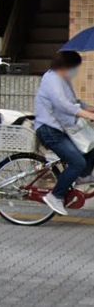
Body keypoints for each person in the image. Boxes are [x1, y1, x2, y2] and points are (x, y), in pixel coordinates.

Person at [35, 50, 94, 216]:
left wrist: (90, 108)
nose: (76, 71)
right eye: (75, 67)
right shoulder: (51, 79)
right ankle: (56, 196)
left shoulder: (63, 80)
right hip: (49, 130)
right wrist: (87, 115)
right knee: (77, 162)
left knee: (92, 145)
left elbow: (74, 102)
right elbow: (62, 104)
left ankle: (82, 176)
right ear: (66, 66)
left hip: (63, 129)